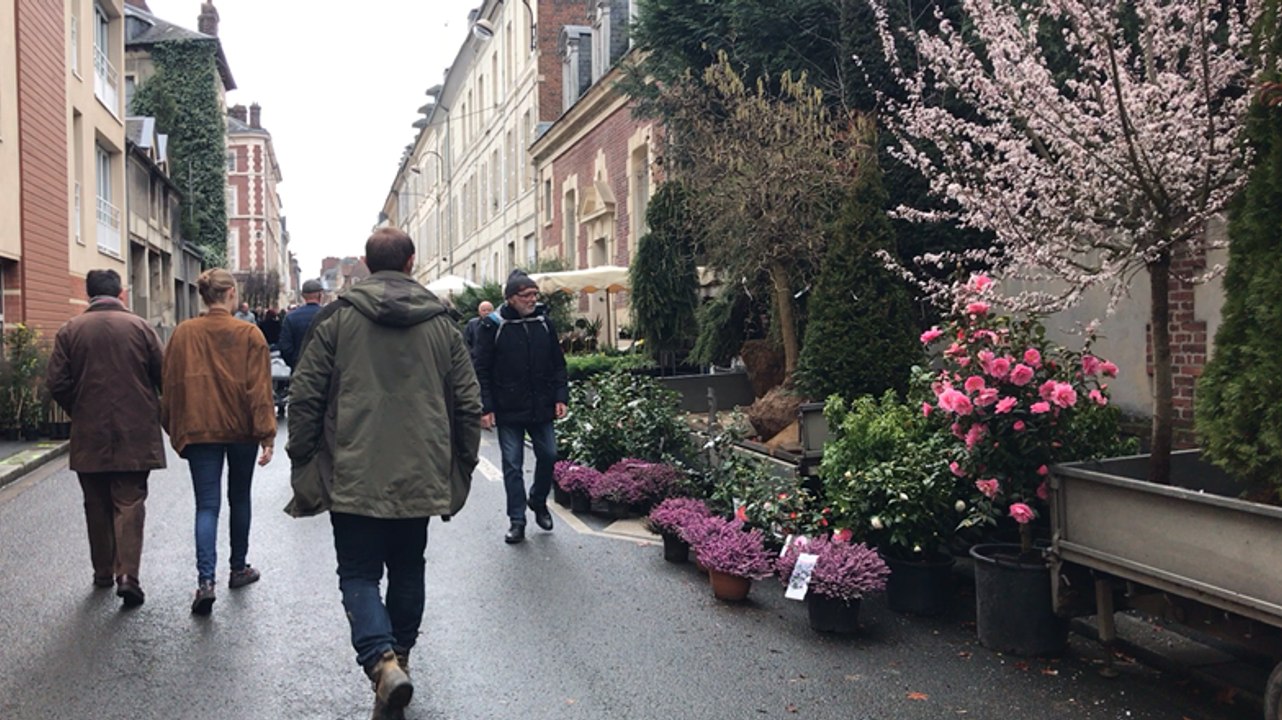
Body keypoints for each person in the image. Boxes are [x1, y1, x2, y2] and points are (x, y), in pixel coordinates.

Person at [287, 228, 481, 720]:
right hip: (421, 468)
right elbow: (467, 400)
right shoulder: (442, 324)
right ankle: (401, 661)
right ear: (412, 262)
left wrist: (304, 456)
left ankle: (382, 662)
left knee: (357, 573)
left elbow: (306, 394)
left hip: (352, 468)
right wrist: (463, 463)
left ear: (368, 266)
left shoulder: (338, 320)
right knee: (408, 567)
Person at [45, 269, 165, 608]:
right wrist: (155, 409)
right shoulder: (141, 328)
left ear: (88, 295)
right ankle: (128, 575)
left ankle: (102, 571)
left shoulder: (70, 330)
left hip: (89, 430)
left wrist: (78, 408)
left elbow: (56, 382)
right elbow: (163, 374)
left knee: (95, 502)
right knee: (129, 502)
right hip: (135, 430)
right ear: (122, 293)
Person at [161, 268, 276, 615]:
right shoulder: (249, 334)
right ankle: (238, 567)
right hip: (241, 428)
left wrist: (175, 427)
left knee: (206, 506)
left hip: (200, 428)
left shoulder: (183, 334)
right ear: (229, 294)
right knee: (239, 497)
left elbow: (169, 385)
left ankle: (205, 581)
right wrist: (266, 434)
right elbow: (259, 391)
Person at [472, 269, 568, 545]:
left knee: (549, 454)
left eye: (535, 295)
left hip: (541, 405)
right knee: (512, 465)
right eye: (527, 296)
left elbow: (557, 364)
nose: (532, 300)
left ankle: (538, 500)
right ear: (511, 298)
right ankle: (517, 520)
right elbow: (482, 369)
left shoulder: (543, 322)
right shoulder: (493, 325)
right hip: (508, 407)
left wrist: (560, 396)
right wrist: (485, 407)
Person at [278, 279, 324, 369]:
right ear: (320, 295)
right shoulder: (330, 315)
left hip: (299, 369)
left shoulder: (291, 317)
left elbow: (285, 348)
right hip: (324, 370)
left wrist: (295, 363)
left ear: (303, 296)